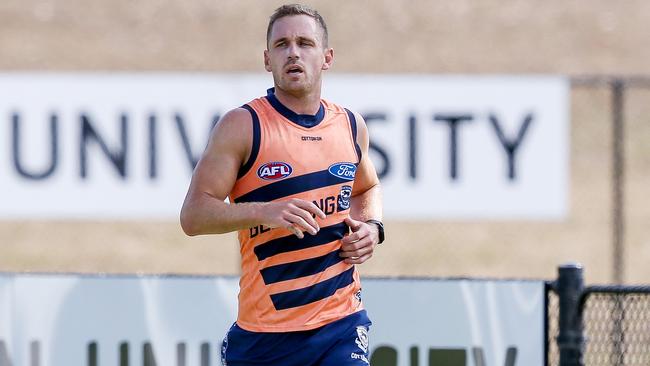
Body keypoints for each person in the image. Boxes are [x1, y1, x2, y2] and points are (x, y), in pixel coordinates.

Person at [180, 4, 384, 365]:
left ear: (326, 57)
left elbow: (367, 189)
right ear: (267, 59)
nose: (293, 52)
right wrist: (267, 211)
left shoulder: (350, 125)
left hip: (340, 323)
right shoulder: (243, 126)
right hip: (265, 337)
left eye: (305, 43)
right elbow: (194, 216)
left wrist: (372, 226)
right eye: (282, 44)